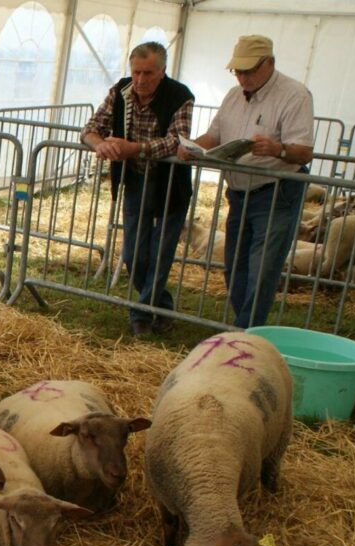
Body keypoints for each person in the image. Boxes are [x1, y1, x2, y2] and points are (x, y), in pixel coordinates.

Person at [179, 34, 314, 329]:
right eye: (237, 71)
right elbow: (214, 136)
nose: (242, 77)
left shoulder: (295, 95)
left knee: (262, 268)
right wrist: (191, 147)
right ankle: (246, 329)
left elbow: (303, 151)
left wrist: (277, 149)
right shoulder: (232, 96)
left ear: (269, 63)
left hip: (276, 193)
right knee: (235, 265)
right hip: (238, 193)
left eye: (249, 70)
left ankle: (244, 331)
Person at [81, 41, 194, 338]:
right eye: (136, 72)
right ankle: (163, 305)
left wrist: (135, 148)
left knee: (160, 253)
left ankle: (140, 315)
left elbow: (177, 140)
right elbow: (90, 128)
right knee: (133, 253)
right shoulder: (121, 91)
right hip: (134, 181)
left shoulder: (180, 96)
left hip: (170, 184)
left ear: (162, 71)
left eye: (148, 73)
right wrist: (101, 144)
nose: (141, 80)